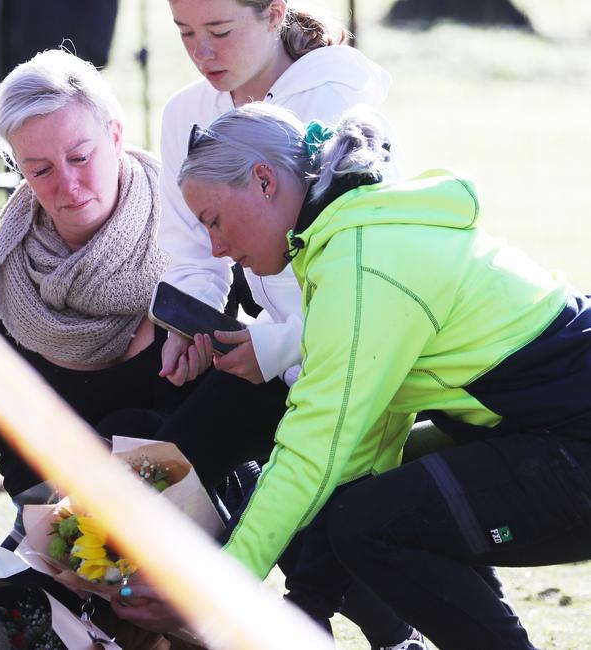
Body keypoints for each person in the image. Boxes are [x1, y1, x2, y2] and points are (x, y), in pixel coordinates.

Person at [118, 101, 591, 650]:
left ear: (265, 181)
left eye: (214, 221)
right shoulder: (353, 238)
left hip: (573, 443)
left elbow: (313, 450)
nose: (217, 247)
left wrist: (217, 591)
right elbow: (360, 452)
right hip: (553, 434)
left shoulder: (363, 263)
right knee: (378, 506)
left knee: (377, 523)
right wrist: (306, 609)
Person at [129, 2, 416, 646]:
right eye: (184, 34)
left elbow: (376, 265)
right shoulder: (185, 113)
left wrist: (276, 343)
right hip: (265, 346)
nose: (202, 52)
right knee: (168, 459)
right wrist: (189, 327)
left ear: (274, 14)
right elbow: (192, 250)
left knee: (327, 507)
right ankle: (116, 610)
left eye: (220, 31)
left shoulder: (339, 96)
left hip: (356, 349)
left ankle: (395, 633)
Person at [0, 48, 202, 533]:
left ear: (115, 135)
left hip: (199, 501)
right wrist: (60, 531)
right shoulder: (3, 283)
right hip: (65, 518)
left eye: (80, 156)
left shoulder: (196, 238)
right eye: (40, 170)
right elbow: (16, 445)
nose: (68, 184)